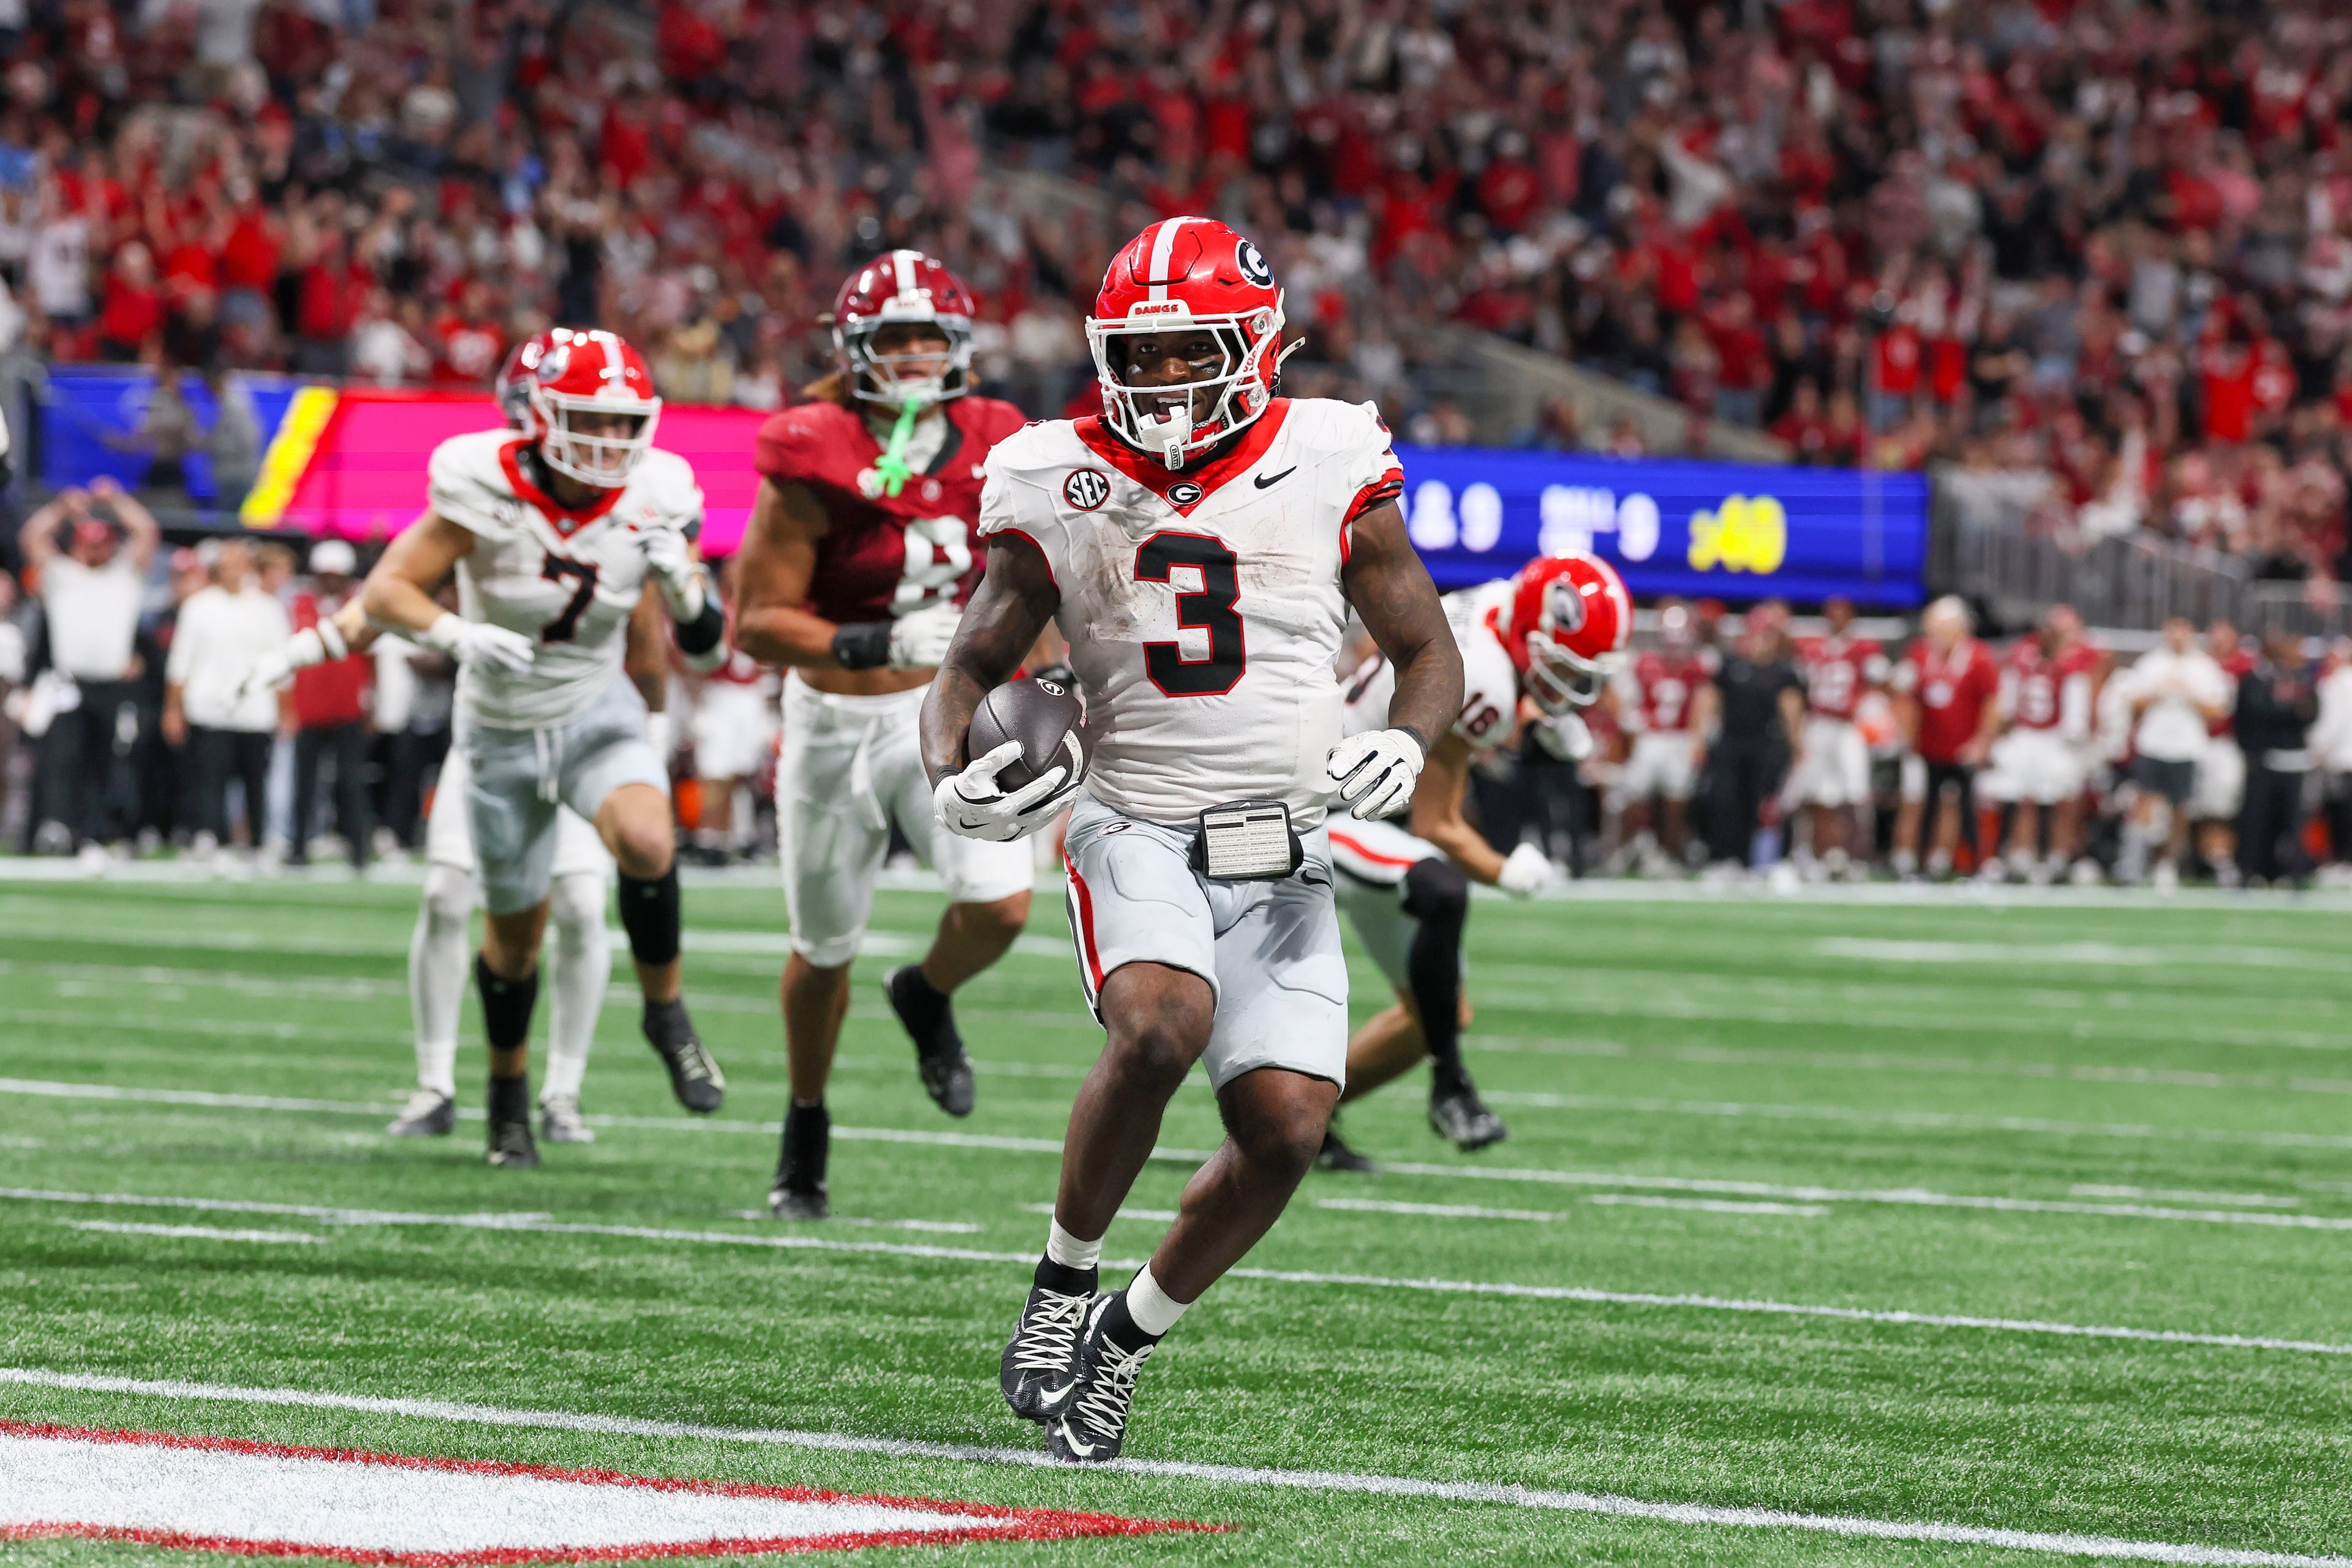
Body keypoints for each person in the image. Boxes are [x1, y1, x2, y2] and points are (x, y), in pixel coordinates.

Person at [920, 217, 1463, 1464]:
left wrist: (1411, 741)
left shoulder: (1328, 453)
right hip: (1137, 820)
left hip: (1288, 849)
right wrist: (952, 775)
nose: (1163, 378)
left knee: (1286, 1129)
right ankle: (1062, 1281)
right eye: (1143, 353)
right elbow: (972, 658)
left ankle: (1122, 1338)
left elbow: (1429, 647)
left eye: (1188, 350)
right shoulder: (1055, 470)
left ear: (1256, 346)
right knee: (1159, 1022)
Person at [357, 326, 729, 1168]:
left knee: (646, 838)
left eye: (620, 422)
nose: (607, 441)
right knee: (515, 937)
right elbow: (387, 589)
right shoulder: (483, 482)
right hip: (500, 726)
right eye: (587, 421)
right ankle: (506, 1097)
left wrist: (683, 590)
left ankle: (665, 1012)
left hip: (596, 706)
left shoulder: (660, 492)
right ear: (539, 416)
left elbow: (706, 649)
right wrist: (456, 632)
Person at [731, 252, 1036, 1220]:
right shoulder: (809, 447)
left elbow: (1043, 574)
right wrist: (871, 636)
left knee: (999, 910)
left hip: (946, 714)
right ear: (851, 348)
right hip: (833, 722)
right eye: (891, 339)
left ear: (959, 347)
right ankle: (805, 1127)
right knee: (823, 950)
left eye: (926, 338)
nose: (910, 357)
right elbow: (756, 622)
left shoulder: (1001, 438)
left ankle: (926, 993)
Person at [1321, 551, 1629, 1171]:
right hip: (1320, 806)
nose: (1567, 684)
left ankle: (1306, 1115)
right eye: (1562, 667)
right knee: (1443, 889)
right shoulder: (1484, 675)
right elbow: (1439, 822)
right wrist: (1508, 872)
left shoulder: (1498, 604)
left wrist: (1528, 714)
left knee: (1438, 1012)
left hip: (1361, 800)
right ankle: (1451, 1087)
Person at [18, 478, 160, 859]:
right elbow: (33, 536)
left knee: (108, 763)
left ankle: (97, 833)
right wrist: (63, 508)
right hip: (70, 685)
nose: (95, 549)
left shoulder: (123, 577)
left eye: (101, 542)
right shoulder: (64, 575)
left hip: (112, 686)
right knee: (62, 760)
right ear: (78, 543)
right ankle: (58, 828)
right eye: (88, 542)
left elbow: (146, 532)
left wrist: (116, 500)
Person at [165, 538, 289, 856]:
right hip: (209, 707)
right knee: (209, 780)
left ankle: (258, 840)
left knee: (255, 782)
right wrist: (174, 708)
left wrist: (286, 708)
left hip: (255, 709)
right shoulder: (199, 606)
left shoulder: (268, 608)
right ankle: (210, 837)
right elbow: (181, 662)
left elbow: (282, 662)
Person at [2112, 617, 2230, 889]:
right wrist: (2158, 691)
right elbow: (2132, 704)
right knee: (2144, 803)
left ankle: (2169, 864)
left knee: (2181, 808)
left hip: (2187, 746)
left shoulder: (2204, 666)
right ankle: (2133, 864)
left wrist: (2189, 693)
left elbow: (2218, 711)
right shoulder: (2152, 663)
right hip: (2153, 743)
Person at [1891, 597, 2000, 880]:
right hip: (1928, 746)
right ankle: (1918, 861)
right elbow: (1903, 695)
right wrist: (1906, 736)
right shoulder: (1919, 654)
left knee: (1967, 808)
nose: (1932, 633)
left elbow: (1992, 703)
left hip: (1964, 748)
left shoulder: (1978, 657)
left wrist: (1982, 742)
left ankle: (1976, 864)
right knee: (1923, 805)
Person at [285, 539, 372, 867]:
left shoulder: (358, 607)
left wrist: (373, 702)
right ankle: (297, 848)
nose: (332, 581)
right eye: (326, 574)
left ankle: (359, 849)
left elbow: (371, 660)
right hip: (308, 709)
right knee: (303, 782)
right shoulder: (299, 605)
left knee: (351, 782)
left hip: (348, 709)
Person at [1700, 604, 1806, 872]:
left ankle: (1759, 861)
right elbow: (1709, 700)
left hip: (1766, 745)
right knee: (1724, 800)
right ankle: (1724, 858)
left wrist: (1797, 745)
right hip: (1731, 742)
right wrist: (1699, 737)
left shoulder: (1782, 671)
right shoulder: (1731, 665)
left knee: (1762, 804)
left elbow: (1791, 709)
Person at [1992, 614, 2097, 882]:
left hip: (2056, 737)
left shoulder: (2074, 661)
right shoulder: (2021, 655)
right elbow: (2007, 700)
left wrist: (2075, 737)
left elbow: (2077, 705)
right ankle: (2021, 855)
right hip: (2026, 735)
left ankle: (2058, 856)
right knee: (2023, 798)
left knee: (2062, 800)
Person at [1790, 595, 1886, 880]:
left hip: (1847, 727)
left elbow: (1881, 683)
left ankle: (1856, 857)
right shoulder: (1812, 647)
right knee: (1817, 794)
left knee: (1856, 793)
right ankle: (1819, 853)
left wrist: (1864, 710)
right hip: (1818, 725)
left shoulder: (1865, 647)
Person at [1612, 598, 1710, 873]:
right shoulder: (1642, 662)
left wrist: (1698, 738)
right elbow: (1620, 694)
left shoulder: (1696, 666)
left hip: (1679, 737)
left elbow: (1704, 701)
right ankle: (1626, 850)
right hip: (1651, 736)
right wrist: (1631, 722)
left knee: (1676, 800)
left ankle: (1670, 853)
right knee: (1634, 795)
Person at [2231, 630, 2319, 888]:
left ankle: (2291, 872)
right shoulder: (2258, 680)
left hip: (2295, 761)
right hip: (2264, 760)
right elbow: (2253, 715)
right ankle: (2250, 871)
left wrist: (2287, 708)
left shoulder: (2303, 682)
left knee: (2294, 822)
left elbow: (2309, 714)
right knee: (2256, 820)